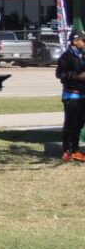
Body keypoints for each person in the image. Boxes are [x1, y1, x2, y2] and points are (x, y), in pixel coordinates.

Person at [55, 30, 85, 162]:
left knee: (79, 123)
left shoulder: (83, 55)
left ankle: (75, 149)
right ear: (75, 41)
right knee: (70, 123)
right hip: (71, 95)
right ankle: (66, 150)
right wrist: (77, 77)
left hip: (83, 95)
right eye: (83, 40)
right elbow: (59, 74)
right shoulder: (66, 57)